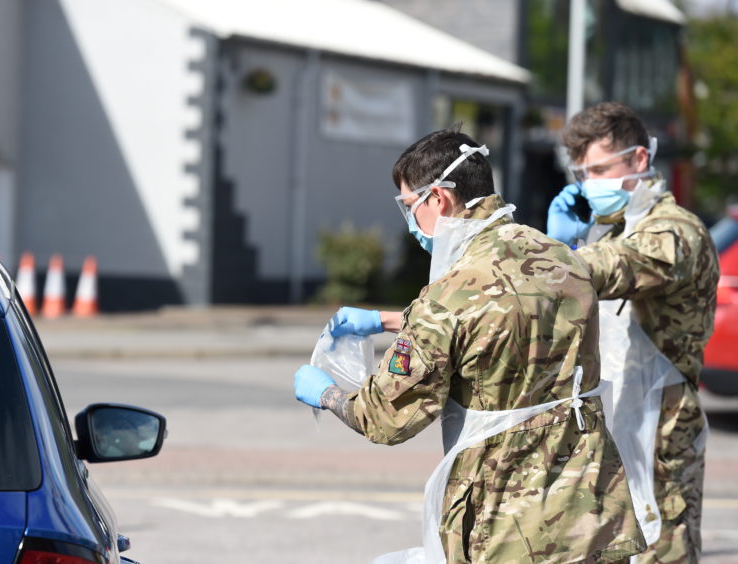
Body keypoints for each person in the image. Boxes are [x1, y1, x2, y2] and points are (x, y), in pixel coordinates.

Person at [294, 126, 644, 563]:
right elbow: (505, 318)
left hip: (511, 527)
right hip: (595, 509)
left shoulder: (447, 295)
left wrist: (325, 392)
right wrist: (388, 320)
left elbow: (384, 419)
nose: (411, 223)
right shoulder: (561, 258)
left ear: (438, 199)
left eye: (410, 207)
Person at [545, 101, 718, 562]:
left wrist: (554, 253)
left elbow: (618, 268)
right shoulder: (617, 229)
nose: (589, 184)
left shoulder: (676, 232)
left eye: (600, 168)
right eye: (582, 173)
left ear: (640, 160)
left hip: (661, 430)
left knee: (664, 550)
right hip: (616, 416)